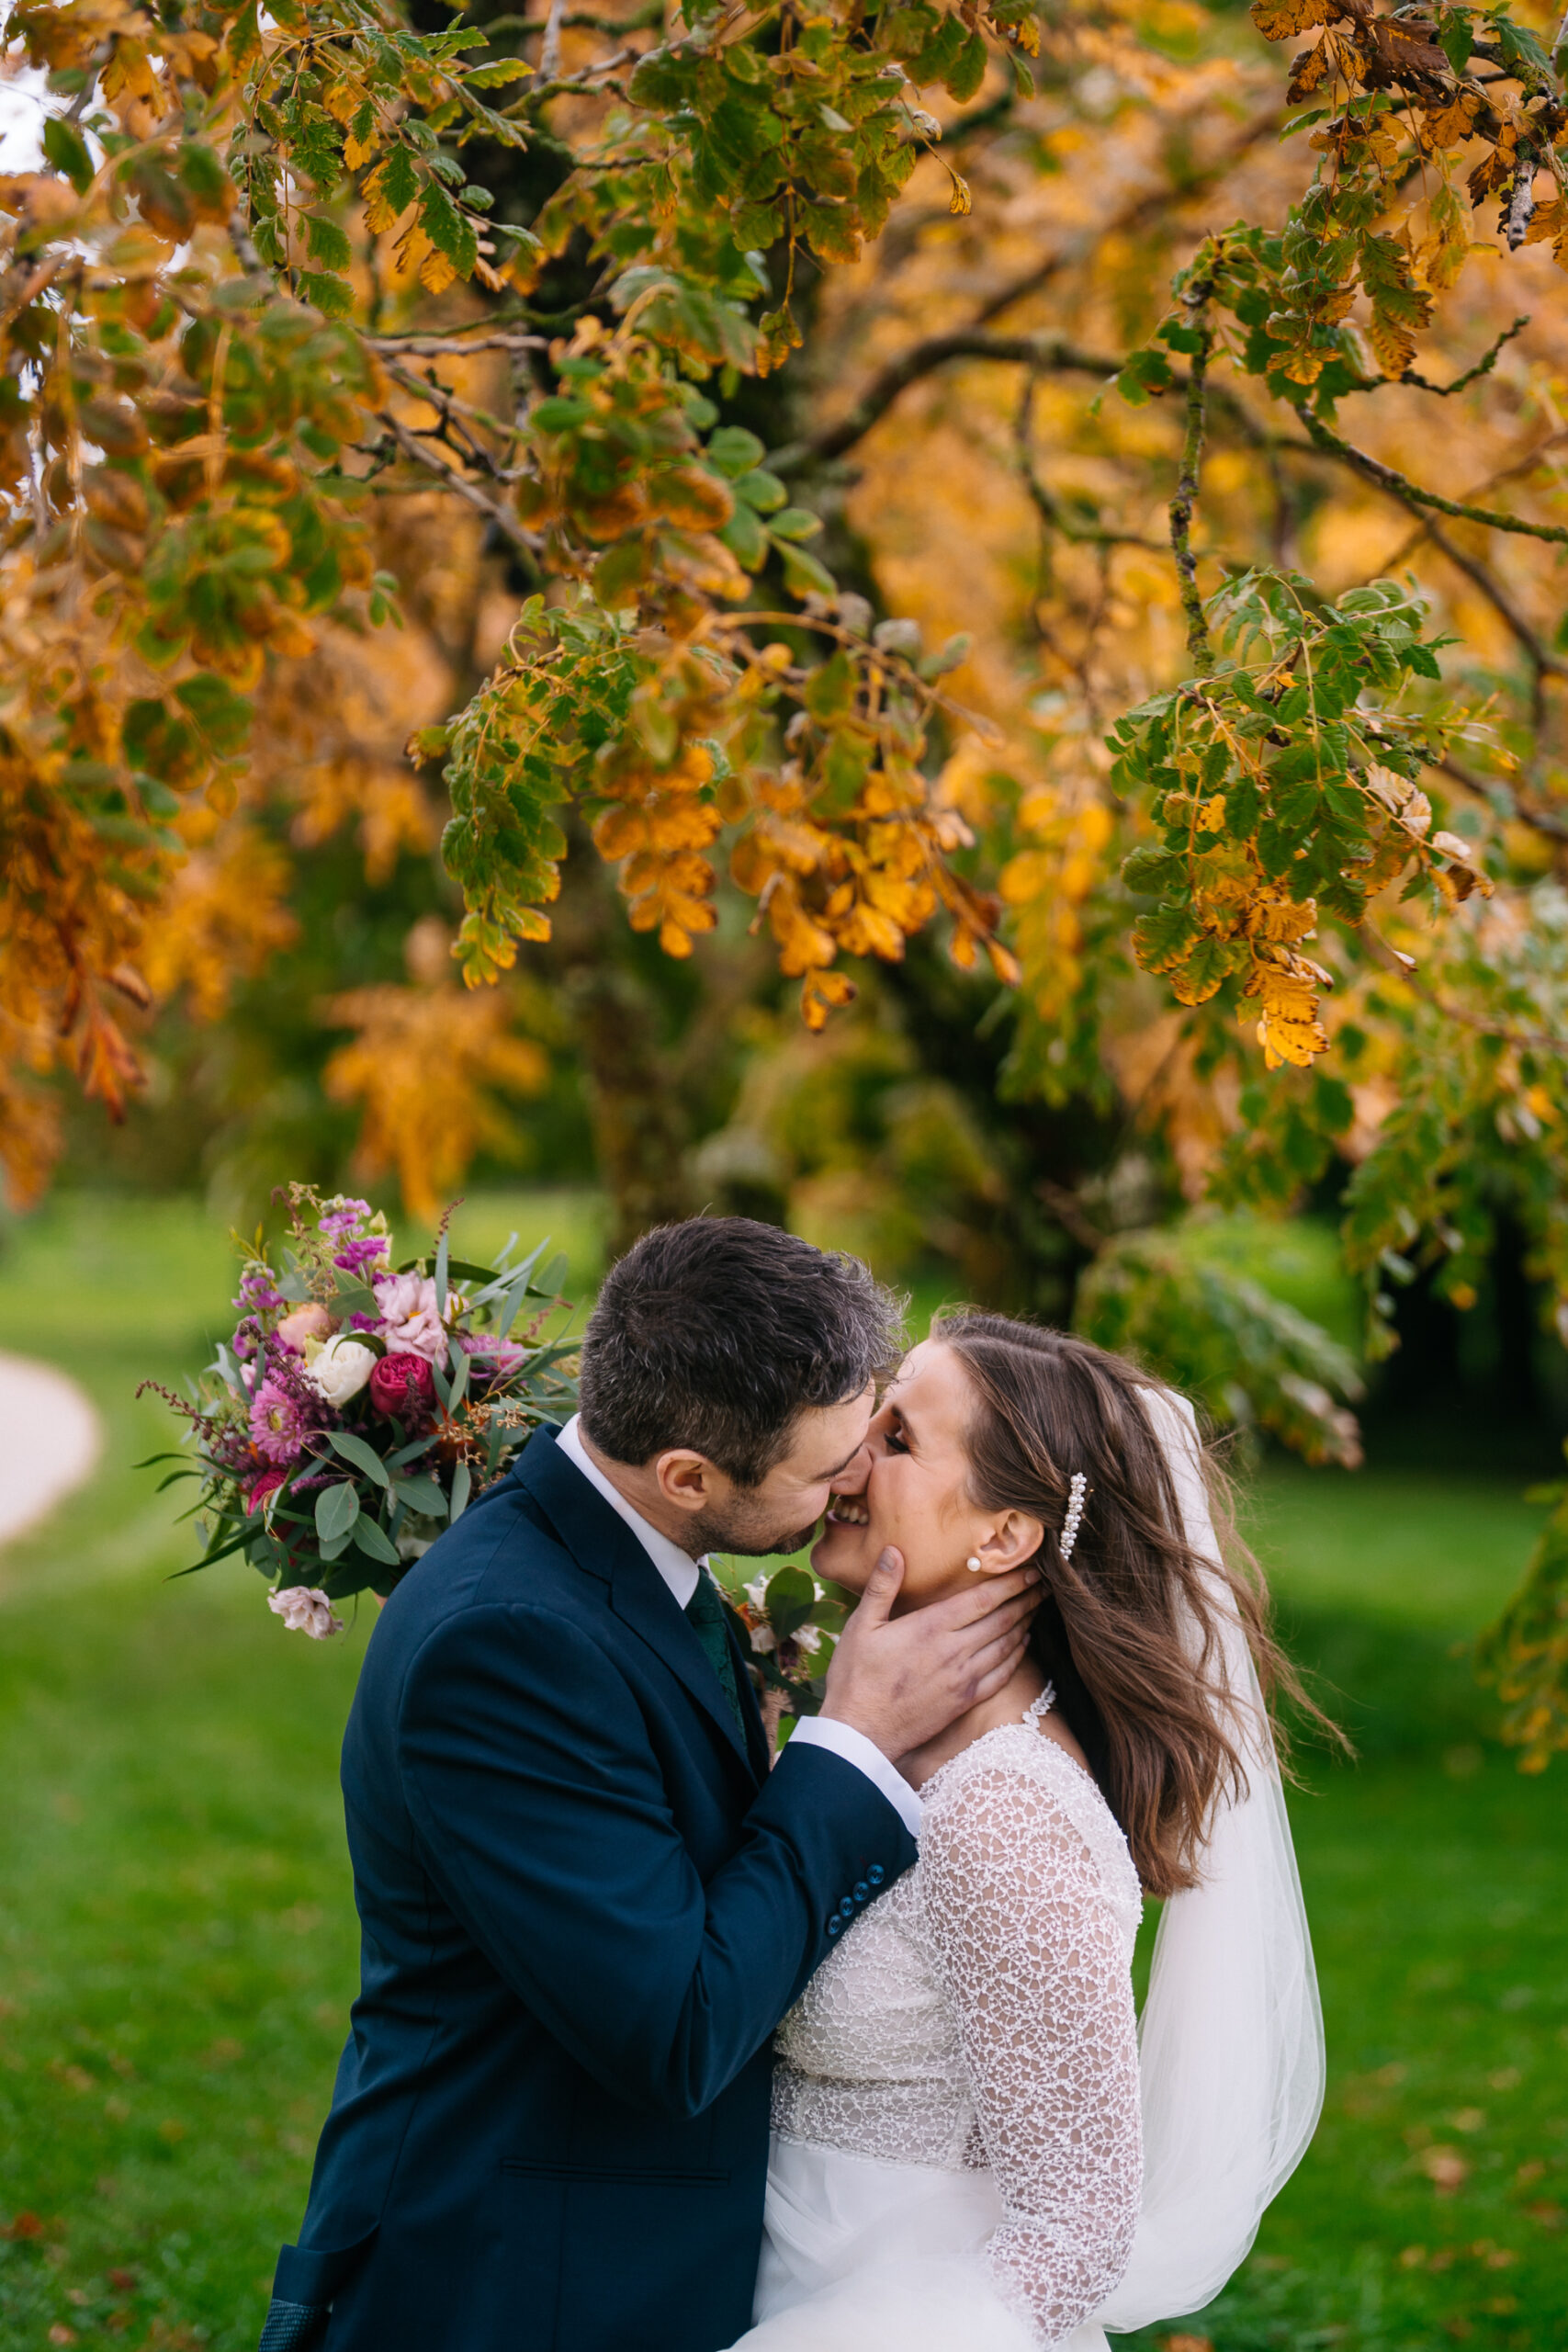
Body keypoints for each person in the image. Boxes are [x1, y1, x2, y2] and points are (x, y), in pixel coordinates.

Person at [256, 1223, 1043, 2352]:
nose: (861, 1477)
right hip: (518, 2285)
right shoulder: (507, 1644)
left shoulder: (627, 1562)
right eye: (830, 1468)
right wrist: (852, 1742)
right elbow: (676, 2028)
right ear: (688, 1476)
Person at [725, 1313, 1325, 2352]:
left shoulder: (1004, 1810)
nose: (852, 1455)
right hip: (779, 2272)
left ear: (1004, 1535)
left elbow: (1075, 2227)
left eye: (900, 1439)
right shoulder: (879, 1730)